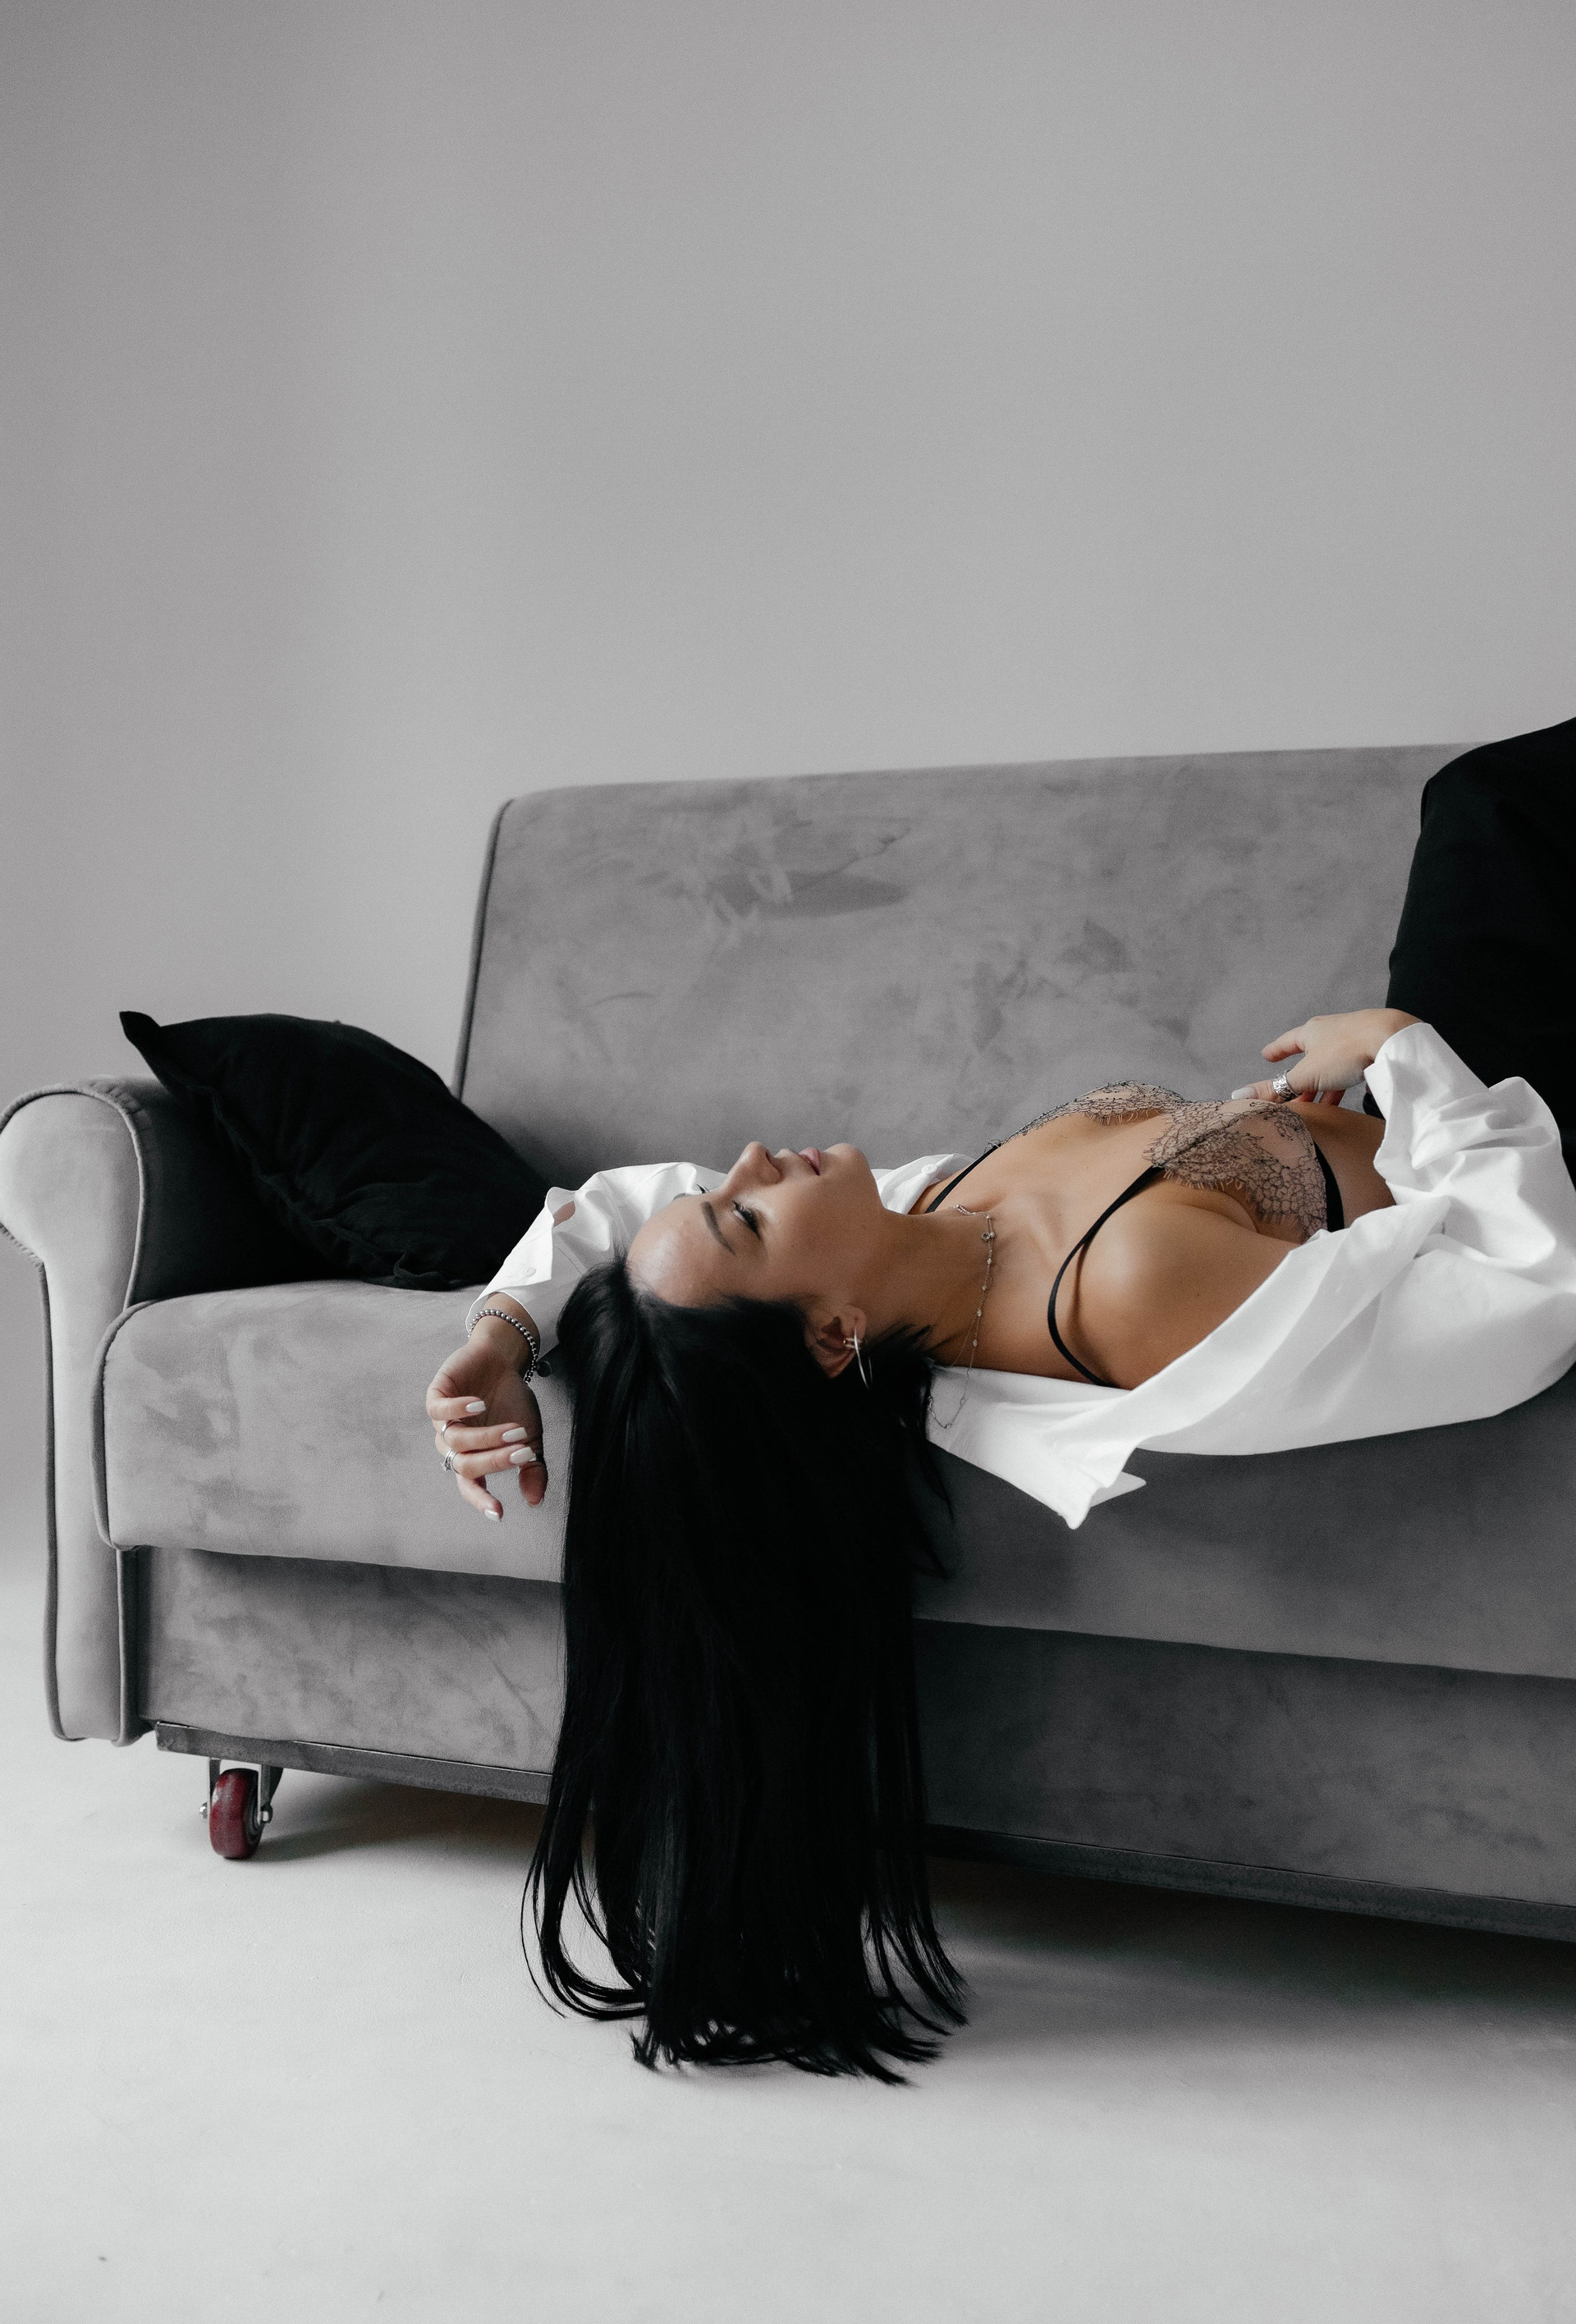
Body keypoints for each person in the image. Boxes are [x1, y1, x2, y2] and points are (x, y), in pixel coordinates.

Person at [424, 716, 1576, 2079]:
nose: (744, 1161)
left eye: (724, 1190)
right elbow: (1524, 1297)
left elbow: (638, 1218)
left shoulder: (928, 1223)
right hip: (1529, 1134)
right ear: (835, 1337)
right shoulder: (1120, 1294)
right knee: (1501, 809)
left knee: (1488, 805)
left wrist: (502, 1332)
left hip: (1436, 1081)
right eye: (746, 1214)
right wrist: (1407, 1053)